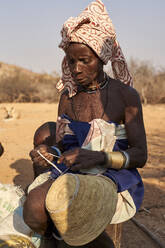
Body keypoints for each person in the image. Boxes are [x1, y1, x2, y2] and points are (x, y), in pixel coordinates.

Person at [23, 0, 147, 247]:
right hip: (74, 171)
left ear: (101, 58)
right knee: (34, 209)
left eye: (85, 60)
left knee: (52, 209)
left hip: (112, 174)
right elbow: (62, 145)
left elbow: (140, 155)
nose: (76, 69)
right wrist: (50, 153)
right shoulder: (68, 97)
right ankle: (55, 238)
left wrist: (100, 158)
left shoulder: (125, 96)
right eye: (71, 61)